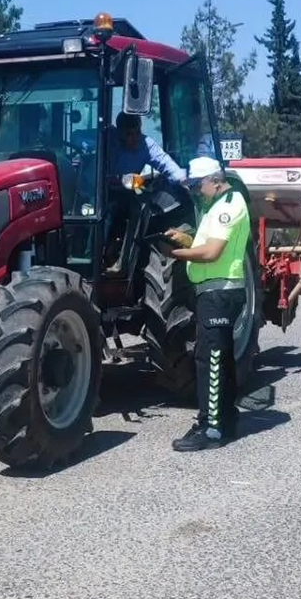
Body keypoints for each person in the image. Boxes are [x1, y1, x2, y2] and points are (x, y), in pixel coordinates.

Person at [164, 156, 251, 451]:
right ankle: (226, 418)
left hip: (220, 292)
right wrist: (186, 240)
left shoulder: (229, 206)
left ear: (214, 180)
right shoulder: (217, 205)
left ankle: (210, 428)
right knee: (222, 357)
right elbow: (206, 244)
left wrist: (175, 255)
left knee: (210, 358)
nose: (197, 191)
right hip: (216, 292)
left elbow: (213, 252)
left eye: (198, 184)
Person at [103, 112, 186, 270]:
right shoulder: (107, 142)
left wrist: (183, 179)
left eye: (137, 132)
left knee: (133, 207)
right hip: (98, 192)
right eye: (129, 134)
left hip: (127, 192)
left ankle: (122, 257)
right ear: (119, 133)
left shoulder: (146, 144)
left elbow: (165, 162)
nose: (135, 138)